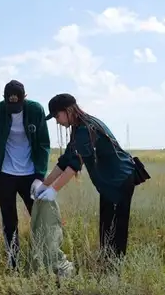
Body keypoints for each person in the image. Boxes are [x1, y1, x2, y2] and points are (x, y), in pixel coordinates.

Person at [34, 93, 148, 259]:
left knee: (116, 229)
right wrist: (45, 185)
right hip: (109, 183)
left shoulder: (85, 129)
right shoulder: (79, 127)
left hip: (120, 180)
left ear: (68, 111)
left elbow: (74, 165)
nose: (57, 121)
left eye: (57, 116)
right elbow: (66, 160)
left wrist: (54, 190)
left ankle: (115, 269)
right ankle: (107, 262)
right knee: (106, 226)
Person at [0, 80, 51, 268]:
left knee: (38, 218)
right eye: (10, 104)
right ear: (4, 100)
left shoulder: (36, 110)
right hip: (5, 174)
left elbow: (44, 144)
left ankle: (44, 260)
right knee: (9, 221)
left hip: (30, 174)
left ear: (24, 98)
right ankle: (14, 263)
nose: (14, 108)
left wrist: (39, 176)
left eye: (18, 104)